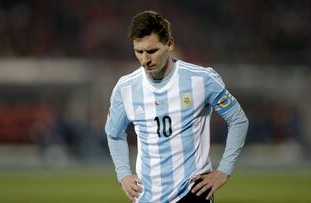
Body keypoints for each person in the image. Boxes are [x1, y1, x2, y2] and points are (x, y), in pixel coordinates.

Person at [105, 10, 249, 203]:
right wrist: (123, 174)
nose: (145, 60)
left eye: (152, 51)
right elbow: (114, 133)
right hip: (147, 196)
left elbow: (238, 119)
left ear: (170, 44)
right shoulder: (126, 88)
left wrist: (224, 171)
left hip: (192, 192)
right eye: (139, 51)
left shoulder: (201, 79)